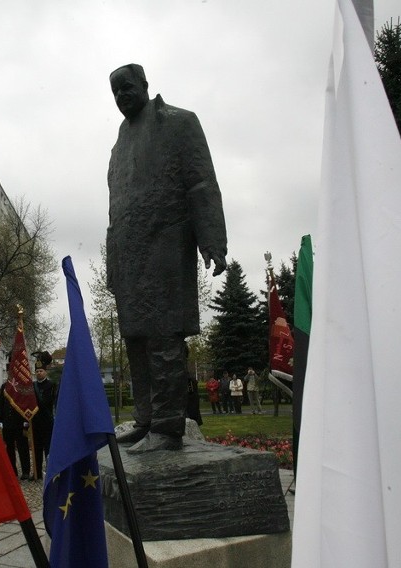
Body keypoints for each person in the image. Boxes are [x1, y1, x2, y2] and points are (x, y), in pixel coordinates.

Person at [107, 63, 227, 453]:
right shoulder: (118, 146)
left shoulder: (179, 123)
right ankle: (146, 419)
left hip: (166, 247)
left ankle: (168, 425)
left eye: (127, 87)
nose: (122, 96)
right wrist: (113, 264)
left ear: (144, 84)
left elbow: (201, 182)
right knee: (136, 339)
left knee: (163, 337)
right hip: (129, 256)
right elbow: (115, 210)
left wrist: (212, 239)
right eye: (115, 92)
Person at [0, 381, 31, 481]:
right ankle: (12, 470)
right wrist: (0, 420)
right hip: (7, 423)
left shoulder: (23, 386)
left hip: (20, 423)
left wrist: (26, 420)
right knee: (9, 448)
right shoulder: (4, 386)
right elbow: (1, 403)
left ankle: (25, 471)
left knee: (23, 448)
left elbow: (27, 404)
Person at [31, 352, 56, 480]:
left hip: (47, 422)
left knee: (48, 449)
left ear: (45, 372)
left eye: (41, 371)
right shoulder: (32, 386)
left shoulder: (52, 385)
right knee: (36, 449)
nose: (39, 373)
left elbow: (54, 402)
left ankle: (50, 472)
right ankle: (37, 473)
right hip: (35, 422)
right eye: (37, 371)